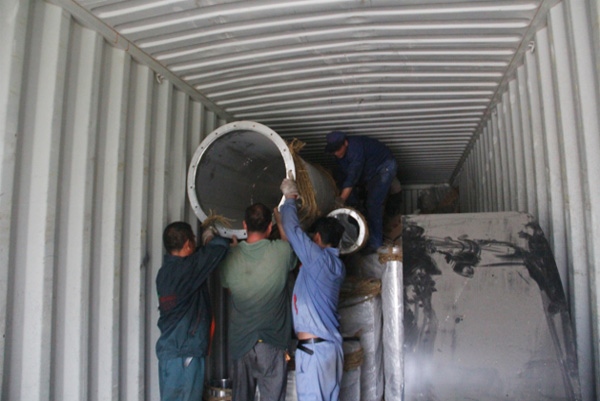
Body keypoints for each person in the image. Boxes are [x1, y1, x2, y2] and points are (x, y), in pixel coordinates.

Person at [220, 203, 297, 401]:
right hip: (272, 342)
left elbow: (230, 289)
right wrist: (282, 223)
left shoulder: (230, 258)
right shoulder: (282, 251)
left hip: (241, 343)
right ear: (270, 227)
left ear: (245, 225)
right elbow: (289, 247)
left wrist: (236, 253)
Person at [278, 178, 346, 401]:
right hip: (330, 351)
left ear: (317, 238)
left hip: (315, 353)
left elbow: (293, 230)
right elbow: (296, 239)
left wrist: (290, 198)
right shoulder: (336, 265)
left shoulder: (317, 260)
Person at [155, 221, 231, 401]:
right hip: (184, 357)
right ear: (188, 244)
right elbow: (220, 247)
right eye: (195, 240)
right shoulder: (187, 270)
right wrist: (209, 236)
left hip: (172, 356)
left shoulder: (165, 272)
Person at [325, 131, 399, 250]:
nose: (336, 153)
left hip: (384, 167)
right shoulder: (339, 156)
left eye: (338, 149)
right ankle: (365, 233)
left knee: (373, 204)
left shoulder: (355, 148)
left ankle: (376, 244)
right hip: (369, 173)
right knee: (360, 200)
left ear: (346, 142)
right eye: (333, 150)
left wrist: (341, 200)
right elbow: (344, 176)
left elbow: (352, 176)